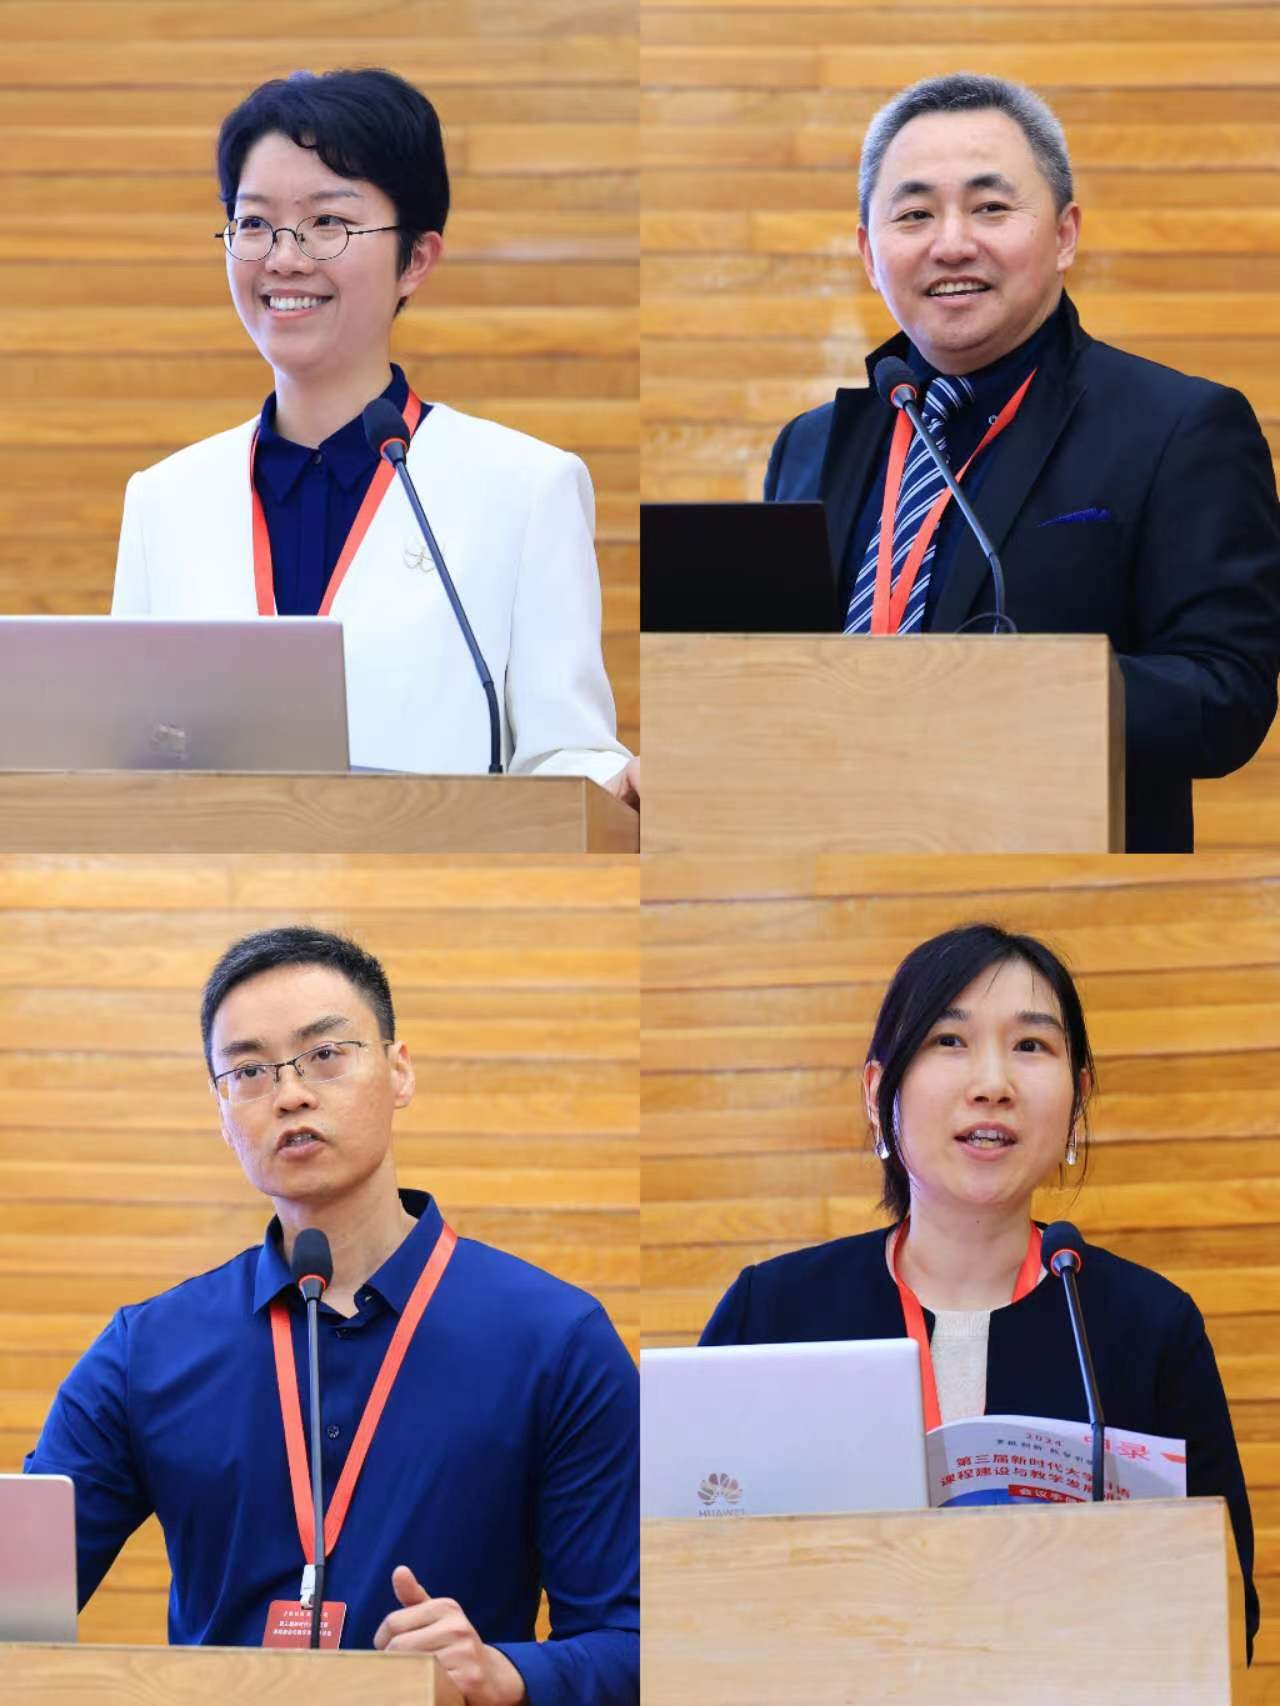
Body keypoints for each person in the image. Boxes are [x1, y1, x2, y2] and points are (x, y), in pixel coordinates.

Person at [26, 926, 639, 1703]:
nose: (291, 1094)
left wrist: (506, 1672)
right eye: (249, 1071)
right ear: (221, 1111)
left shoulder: (554, 1340)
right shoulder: (144, 1352)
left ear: (399, 1070)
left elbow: (638, 1645)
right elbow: (16, 1604)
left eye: (324, 1054)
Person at [701, 923, 1258, 1662]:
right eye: (949, 1041)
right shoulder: (773, 1313)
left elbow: (1226, 1613)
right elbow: (687, 1575)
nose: (992, 1083)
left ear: (1078, 1096)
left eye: (1031, 1045)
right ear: (878, 1092)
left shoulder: (1147, 1328)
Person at [764, 72, 1280, 853]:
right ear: (869, 252)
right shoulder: (808, 444)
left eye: (990, 208)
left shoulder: (1180, 427)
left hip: (1049, 865)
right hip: (827, 856)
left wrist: (1003, 695)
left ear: (1065, 235)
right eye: (914, 214)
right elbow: (764, 676)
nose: (951, 243)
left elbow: (1225, 696)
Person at [111, 67, 638, 803]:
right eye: (254, 223)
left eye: (327, 222)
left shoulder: (524, 487)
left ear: (415, 260)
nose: (284, 257)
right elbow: (127, 757)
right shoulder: (164, 500)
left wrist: (614, 781)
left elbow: (562, 752)